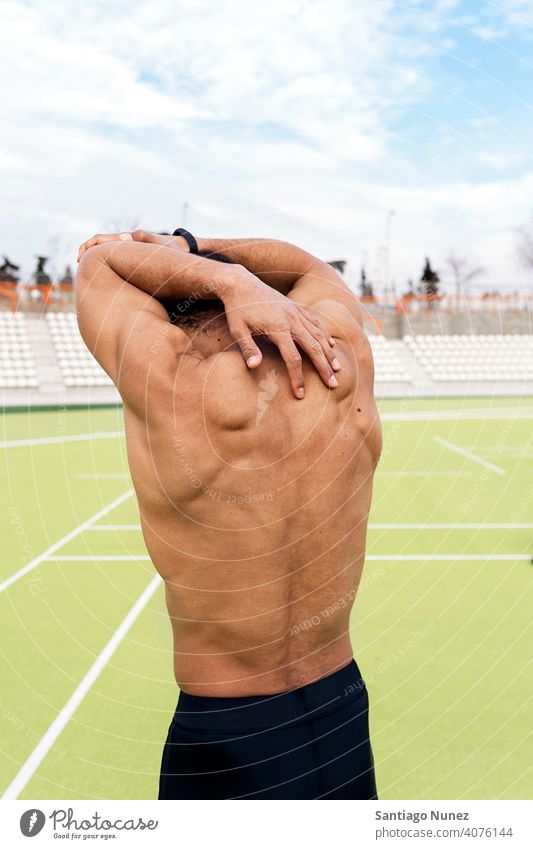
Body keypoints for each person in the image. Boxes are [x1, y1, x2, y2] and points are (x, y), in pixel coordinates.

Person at [76, 228, 382, 799]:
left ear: (169, 310)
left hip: (226, 733)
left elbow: (97, 262)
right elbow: (309, 265)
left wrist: (225, 278)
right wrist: (194, 244)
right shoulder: (343, 355)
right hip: (340, 709)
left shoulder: (167, 375)